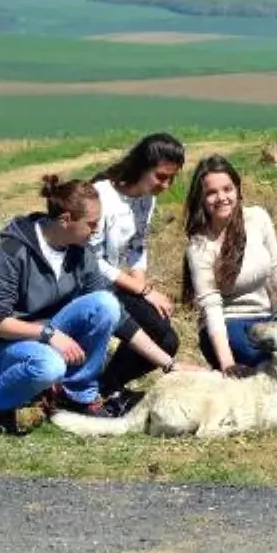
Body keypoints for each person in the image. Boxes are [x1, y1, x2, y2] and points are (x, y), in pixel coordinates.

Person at [0, 175, 187, 433]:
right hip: (7, 344)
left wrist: (169, 364)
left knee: (106, 303)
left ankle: (77, 396)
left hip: (51, 336)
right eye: (91, 224)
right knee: (50, 366)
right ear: (65, 220)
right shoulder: (11, 251)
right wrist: (48, 334)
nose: (96, 231)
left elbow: (118, 316)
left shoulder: (80, 252)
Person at [182, 155, 277, 376]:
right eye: (211, 193)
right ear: (201, 198)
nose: (221, 197)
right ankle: (276, 365)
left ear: (237, 189)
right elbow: (212, 308)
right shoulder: (199, 246)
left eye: (227, 189)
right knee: (263, 353)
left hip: (266, 320)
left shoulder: (257, 218)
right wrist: (228, 363)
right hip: (229, 327)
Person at [88, 133, 185, 396]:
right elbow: (91, 260)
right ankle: (100, 386)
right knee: (158, 333)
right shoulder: (101, 196)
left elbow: (138, 245)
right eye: (161, 177)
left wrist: (141, 285)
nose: (165, 185)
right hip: (91, 286)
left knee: (166, 338)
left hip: (119, 284)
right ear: (142, 167)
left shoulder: (147, 198)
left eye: (171, 178)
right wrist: (142, 291)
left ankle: (108, 385)